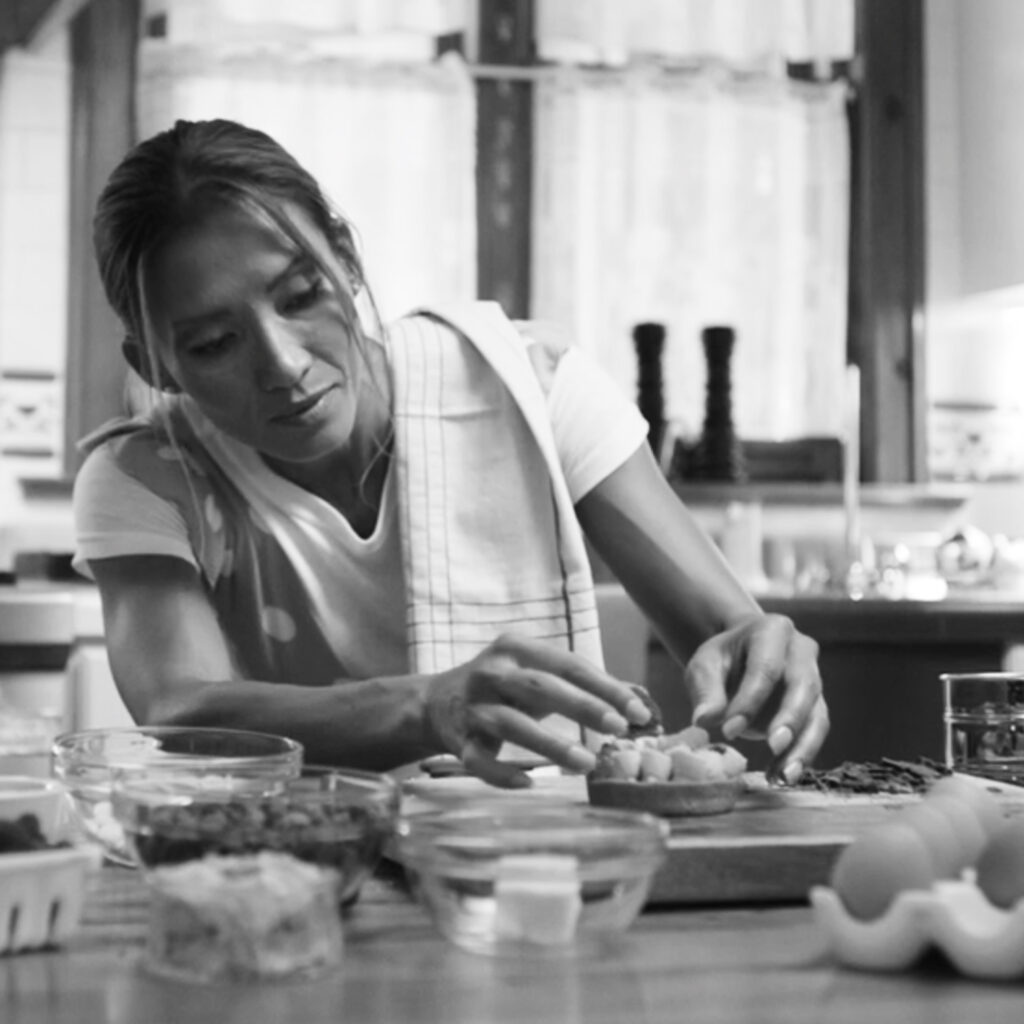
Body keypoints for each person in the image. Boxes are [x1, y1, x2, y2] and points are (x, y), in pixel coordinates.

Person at [72, 118, 828, 789]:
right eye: (214, 343)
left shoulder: (530, 390)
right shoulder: (147, 478)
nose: (284, 365)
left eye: (301, 296)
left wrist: (759, 663)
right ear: (156, 367)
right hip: (304, 872)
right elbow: (179, 707)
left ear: (346, 259)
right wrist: (428, 704)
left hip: (551, 868)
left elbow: (727, 640)